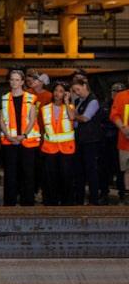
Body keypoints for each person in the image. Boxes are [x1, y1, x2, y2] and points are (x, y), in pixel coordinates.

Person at [0, 69, 40, 206]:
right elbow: (1, 120)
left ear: (22, 82)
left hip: (27, 141)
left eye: (17, 79)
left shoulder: (31, 98)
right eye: (12, 79)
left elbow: (32, 119)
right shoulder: (4, 98)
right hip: (9, 141)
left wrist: (23, 135)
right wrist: (8, 135)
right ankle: (9, 203)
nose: (14, 82)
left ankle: (27, 202)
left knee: (27, 173)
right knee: (10, 173)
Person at [41, 82, 76, 205]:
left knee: (66, 177)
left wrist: (66, 102)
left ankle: (67, 203)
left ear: (65, 93)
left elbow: (72, 118)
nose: (57, 93)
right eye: (56, 90)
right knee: (51, 178)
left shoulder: (70, 107)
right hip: (49, 149)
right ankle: (51, 203)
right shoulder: (45, 109)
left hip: (66, 149)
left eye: (61, 91)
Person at [71, 75, 104, 205]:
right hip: (80, 140)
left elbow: (85, 118)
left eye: (78, 89)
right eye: (74, 90)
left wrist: (73, 115)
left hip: (91, 141)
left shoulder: (93, 101)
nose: (77, 92)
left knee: (91, 171)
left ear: (85, 86)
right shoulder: (79, 101)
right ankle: (79, 199)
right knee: (79, 170)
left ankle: (94, 199)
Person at [110, 80, 129, 203]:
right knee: (127, 170)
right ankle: (127, 196)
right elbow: (114, 115)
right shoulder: (121, 96)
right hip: (125, 142)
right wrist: (123, 128)